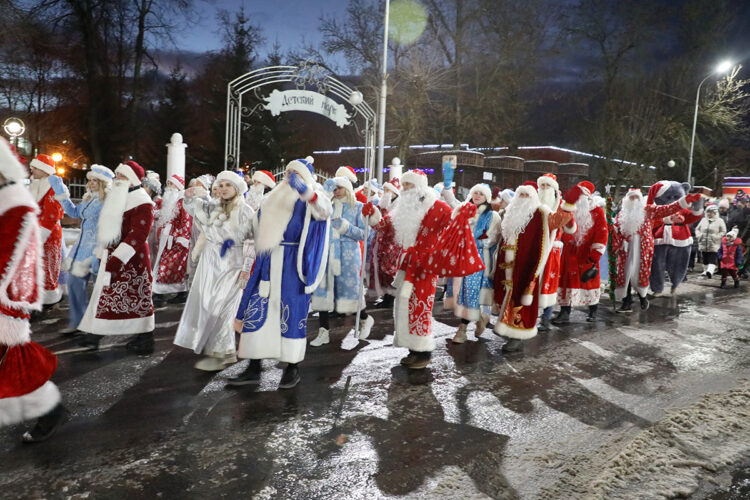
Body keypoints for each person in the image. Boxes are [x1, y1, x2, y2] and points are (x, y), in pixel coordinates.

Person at [230, 157, 332, 389]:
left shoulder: (311, 196)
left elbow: (324, 211)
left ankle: (291, 368)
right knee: (258, 311)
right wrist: (233, 239)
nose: (289, 178)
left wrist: (305, 191)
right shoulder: (271, 198)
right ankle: (254, 366)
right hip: (266, 264)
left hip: (293, 266)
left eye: (294, 174)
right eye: (287, 173)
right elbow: (254, 224)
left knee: (291, 315)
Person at [364, 169, 480, 369]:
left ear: (419, 186)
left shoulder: (436, 206)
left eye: (409, 184)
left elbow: (453, 220)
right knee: (405, 305)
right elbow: (383, 226)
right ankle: (412, 348)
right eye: (404, 185)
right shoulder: (401, 208)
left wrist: (463, 213)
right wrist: (372, 214)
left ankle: (423, 351)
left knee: (421, 307)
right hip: (407, 264)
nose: (405, 189)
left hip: (426, 265)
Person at [0, 138, 69, 443]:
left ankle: (49, 410)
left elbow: (13, 255)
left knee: (14, 357)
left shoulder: (16, 203)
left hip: (7, 295)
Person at [174, 171, 254, 370]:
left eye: (229, 185)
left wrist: (245, 269)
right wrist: (191, 193)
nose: (224, 188)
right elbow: (192, 206)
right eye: (221, 184)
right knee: (207, 306)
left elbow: (252, 242)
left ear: (237, 188)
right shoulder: (212, 207)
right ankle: (214, 347)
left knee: (223, 308)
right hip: (210, 263)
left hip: (232, 263)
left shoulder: (245, 211)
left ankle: (223, 353)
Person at [78, 161, 156, 353]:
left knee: (133, 299)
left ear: (131, 179)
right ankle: (95, 333)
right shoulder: (119, 196)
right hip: (112, 255)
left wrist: (118, 258)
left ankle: (143, 338)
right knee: (106, 296)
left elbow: (139, 233)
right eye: (117, 175)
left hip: (131, 260)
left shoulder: (142, 201)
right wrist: (102, 250)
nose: (116, 178)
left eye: (120, 175)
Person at [493, 182, 581, 351]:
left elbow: (557, 221)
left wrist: (568, 204)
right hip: (507, 269)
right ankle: (508, 329)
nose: (523, 198)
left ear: (533, 197)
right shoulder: (511, 213)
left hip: (526, 266)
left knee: (521, 299)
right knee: (508, 299)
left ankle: (517, 336)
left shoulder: (541, 212)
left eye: (527, 195)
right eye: (521, 195)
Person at [47, 165, 115, 332]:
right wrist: (60, 190)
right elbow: (75, 213)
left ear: (103, 183)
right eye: (90, 180)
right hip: (81, 250)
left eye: (95, 180)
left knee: (101, 292)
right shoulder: (89, 198)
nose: (91, 183)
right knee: (74, 285)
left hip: (98, 251)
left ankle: (98, 326)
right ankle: (79, 323)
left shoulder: (109, 201)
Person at [611, 188, 700, 312]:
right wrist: (616, 245)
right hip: (626, 250)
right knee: (625, 276)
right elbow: (615, 231)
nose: (634, 200)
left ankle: (643, 297)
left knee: (640, 275)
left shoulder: (648, 210)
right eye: (631, 198)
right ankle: (626, 303)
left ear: (640, 199)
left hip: (642, 249)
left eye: (636, 198)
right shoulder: (621, 214)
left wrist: (684, 201)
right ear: (627, 199)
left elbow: (668, 209)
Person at [309, 176, 374, 346]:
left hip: (348, 255)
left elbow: (365, 234)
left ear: (347, 189)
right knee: (323, 292)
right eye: (334, 188)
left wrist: (345, 227)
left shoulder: (358, 207)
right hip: (327, 254)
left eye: (339, 188)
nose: (336, 191)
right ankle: (323, 332)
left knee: (350, 292)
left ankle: (365, 319)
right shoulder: (327, 207)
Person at [444, 183, 501, 343]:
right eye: (475, 193)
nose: (477, 196)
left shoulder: (493, 216)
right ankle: (481, 318)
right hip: (461, 258)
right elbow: (453, 222)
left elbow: (492, 238)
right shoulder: (464, 211)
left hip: (479, 259)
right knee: (460, 292)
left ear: (486, 197)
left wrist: (471, 240)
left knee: (471, 291)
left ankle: (462, 329)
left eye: (481, 194)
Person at [553, 181, 608, 324]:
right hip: (570, 252)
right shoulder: (570, 209)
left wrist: (596, 253)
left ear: (587, 197)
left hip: (587, 253)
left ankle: (593, 310)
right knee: (566, 282)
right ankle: (565, 312)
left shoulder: (597, 211)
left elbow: (602, 233)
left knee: (589, 283)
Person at [27, 154, 65, 306]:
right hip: (35, 232)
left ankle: (48, 298)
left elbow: (52, 214)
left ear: (44, 170)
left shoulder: (54, 186)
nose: (32, 170)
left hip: (48, 234)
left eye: (35, 167)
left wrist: (40, 235)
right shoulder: (36, 184)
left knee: (48, 265)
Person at [152, 175, 192, 304]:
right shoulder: (168, 200)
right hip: (166, 238)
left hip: (175, 240)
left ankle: (160, 293)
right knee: (168, 266)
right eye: (168, 183)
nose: (168, 186)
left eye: (171, 184)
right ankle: (178, 292)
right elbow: (162, 215)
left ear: (178, 186)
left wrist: (180, 238)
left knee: (168, 266)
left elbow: (186, 220)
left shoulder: (182, 200)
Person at [366, 178, 402, 307]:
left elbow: (390, 222)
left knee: (390, 270)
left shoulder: (399, 205)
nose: (386, 192)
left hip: (393, 242)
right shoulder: (383, 204)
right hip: (382, 240)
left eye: (388, 190)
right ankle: (386, 296)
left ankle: (390, 298)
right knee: (382, 269)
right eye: (385, 190)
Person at [536, 174, 563, 332]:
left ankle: (546, 317)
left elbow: (571, 226)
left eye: (547, 186)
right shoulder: (534, 205)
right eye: (542, 186)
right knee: (533, 282)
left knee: (548, 282)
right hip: (535, 248)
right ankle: (530, 315)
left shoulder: (559, 206)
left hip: (552, 250)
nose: (544, 188)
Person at [695, 204, 726, 279]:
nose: (709, 213)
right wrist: (699, 236)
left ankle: (710, 271)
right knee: (705, 257)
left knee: (713, 257)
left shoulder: (720, 221)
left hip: (714, 243)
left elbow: (723, 231)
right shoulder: (703, 220)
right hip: (703, 242)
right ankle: (705, 271)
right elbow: (697, 229)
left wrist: (716, 237)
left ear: (715, 213)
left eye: (711, 212)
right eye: (708, 212)